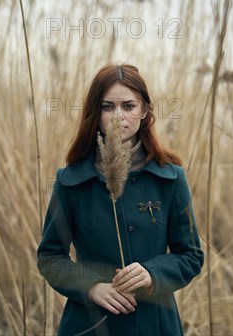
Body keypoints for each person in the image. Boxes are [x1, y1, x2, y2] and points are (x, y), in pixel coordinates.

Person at [36, 63, 204, 335]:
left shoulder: (170, 178)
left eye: (128, 106)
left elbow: (191, 255)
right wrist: (91, 287)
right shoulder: (71, 180)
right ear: (95, 112)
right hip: (90, 324)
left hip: (155, 324)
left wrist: (151, 274)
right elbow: (50, 257)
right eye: (107, 107)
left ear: (144, 111)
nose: (118, 116)